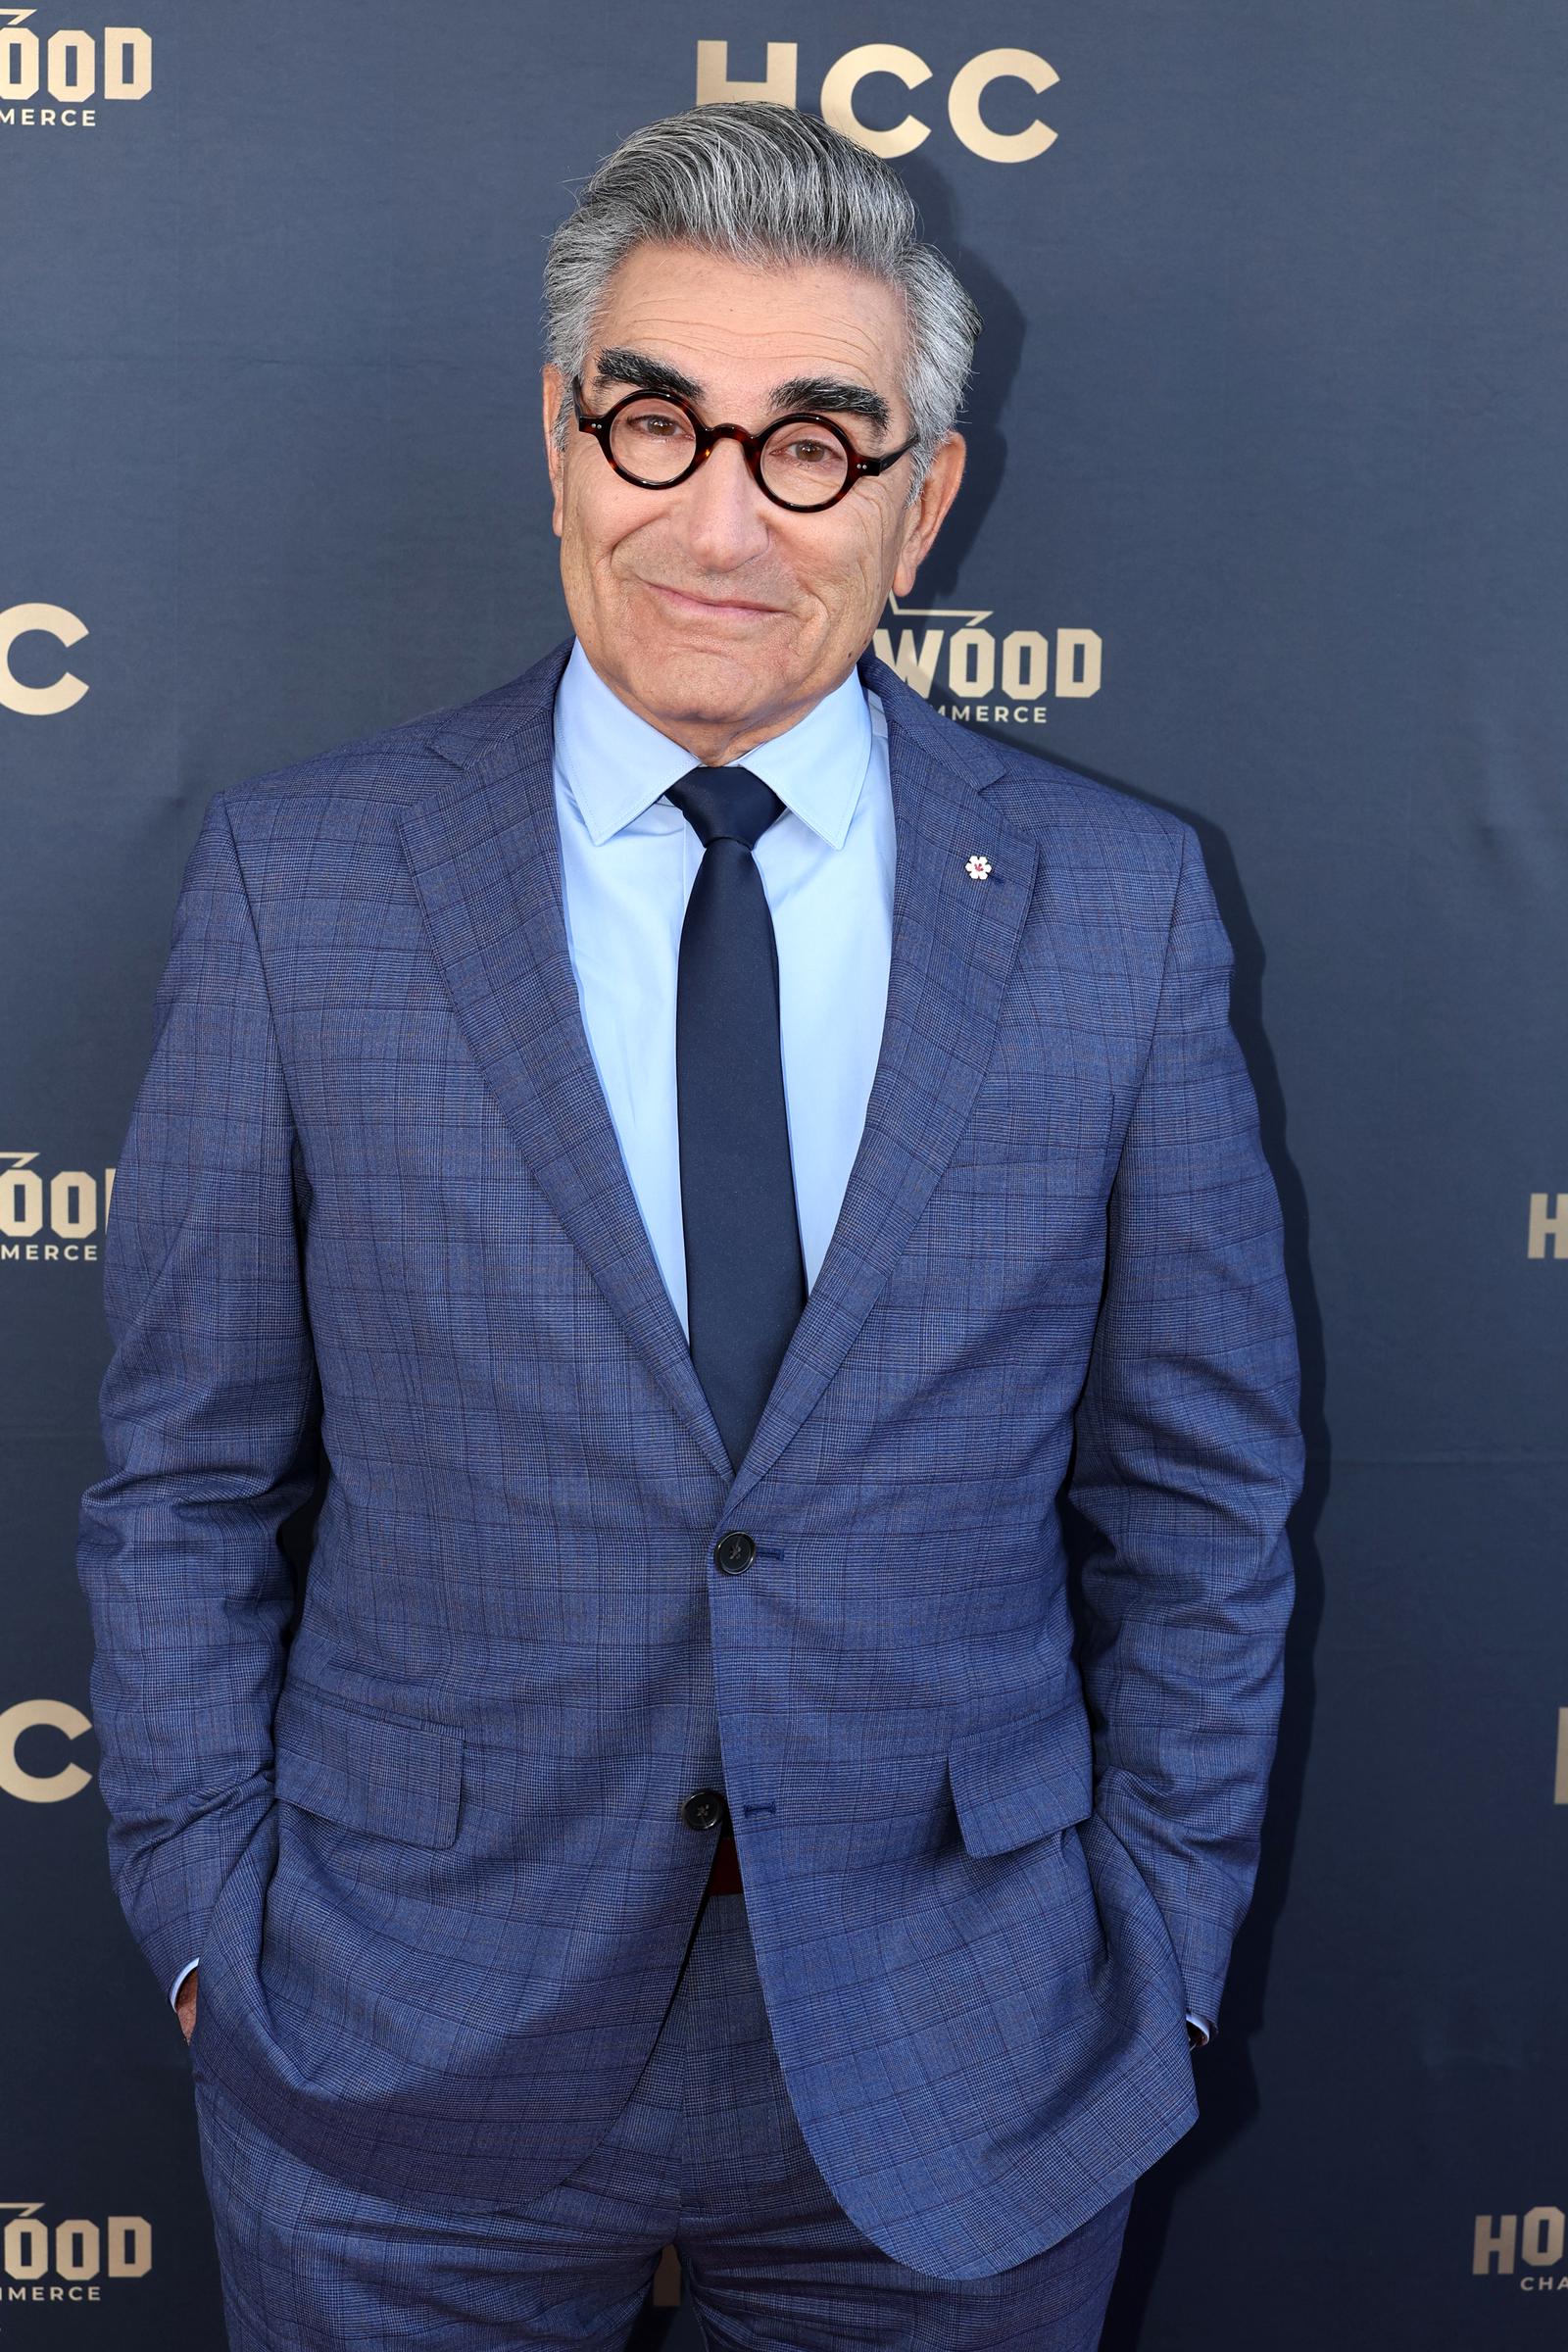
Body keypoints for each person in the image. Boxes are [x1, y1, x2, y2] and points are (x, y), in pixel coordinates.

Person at [76, 99, 1303, 2350]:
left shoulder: (1114, 909)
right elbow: (182, 1473)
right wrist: (205, 1935)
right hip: (392, 2046)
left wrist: (1152, 1964)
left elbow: (1200, 1504)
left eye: (814, 442)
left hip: (971, 2060)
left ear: (921, 504)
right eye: (656, 422)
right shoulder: (306, 887)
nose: (721, 516)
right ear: (560, 442)